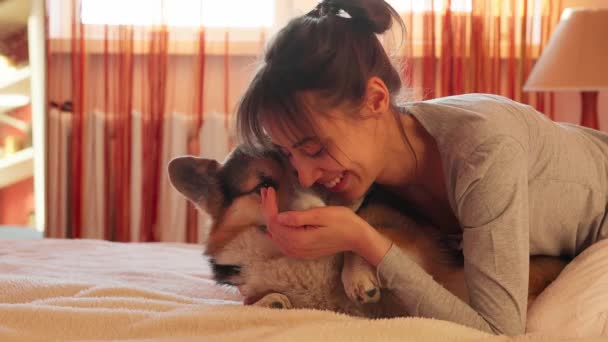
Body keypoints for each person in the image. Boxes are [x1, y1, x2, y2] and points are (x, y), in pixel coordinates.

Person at [235, 0, 608, 336]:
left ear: (376, 100)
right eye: (289, 155)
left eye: (314, 148)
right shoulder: (359, 167)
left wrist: (365, 241)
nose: (304, 176)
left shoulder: (482, 153)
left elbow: (497, 331)